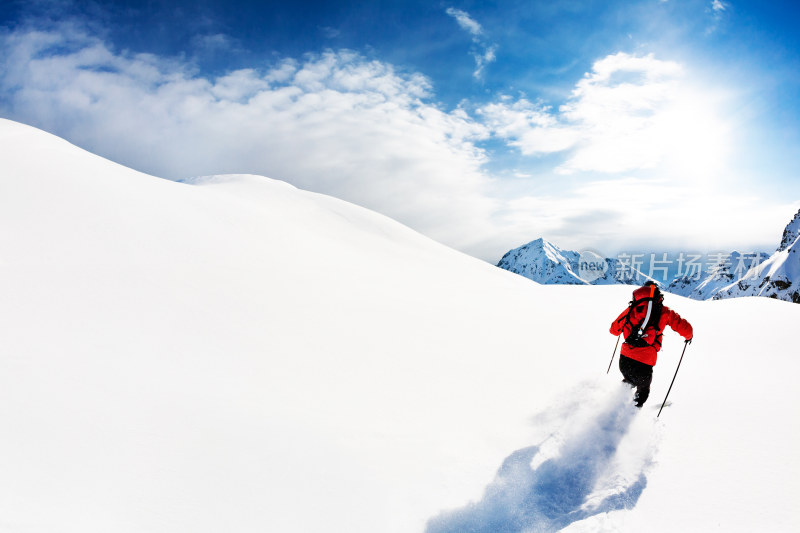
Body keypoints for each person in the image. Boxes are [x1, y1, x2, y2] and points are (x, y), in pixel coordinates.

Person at [609, 281, 693, 407]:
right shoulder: (664, 311)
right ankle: (631, 413)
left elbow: (613, 330)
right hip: (644, 363)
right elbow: (684, 327)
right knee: (643, 391)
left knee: (629, 380)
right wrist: (689, 336)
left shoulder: (632, 309)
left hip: (625, 360)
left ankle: (614, 403)